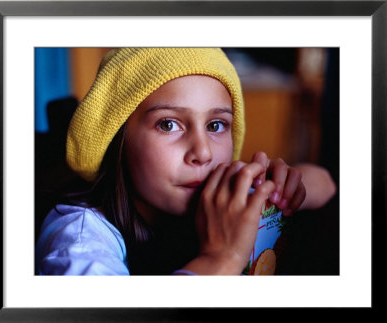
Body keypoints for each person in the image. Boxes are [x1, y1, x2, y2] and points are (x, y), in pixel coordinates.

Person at [35, 48, 336, 275]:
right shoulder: (79, 235)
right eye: (168, 125)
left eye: (216, 125)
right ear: (118, 139)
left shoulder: (221, 193)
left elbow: (326, 184)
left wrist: (288, 184)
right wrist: (221, 259)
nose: (202, 153)